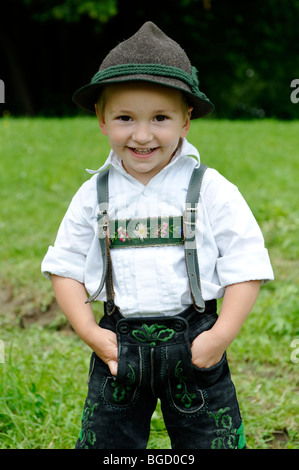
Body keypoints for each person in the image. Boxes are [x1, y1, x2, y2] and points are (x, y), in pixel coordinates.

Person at [41, 22, 274, 449]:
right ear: (101, 119)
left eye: (161, 118)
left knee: (214, 440)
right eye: (125, 118)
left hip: (196, 342)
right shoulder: (95, 194)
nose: (143, 135)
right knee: (107, 444)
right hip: (119, 348)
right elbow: (66, 267)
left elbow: (247, 266)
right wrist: (92, 333)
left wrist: (219, 338)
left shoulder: (211, 190)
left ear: (186, 120)